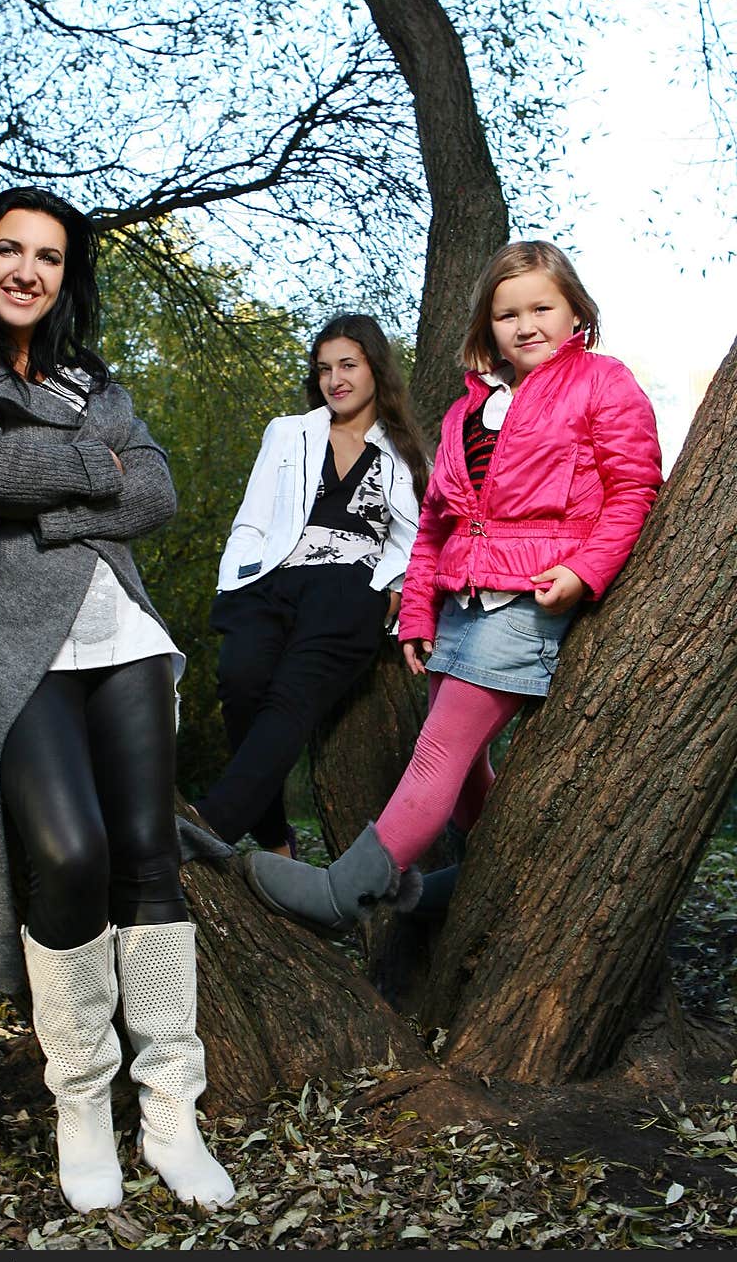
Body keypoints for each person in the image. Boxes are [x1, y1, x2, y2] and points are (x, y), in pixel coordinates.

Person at [0, 187, 234, 1215]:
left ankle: (171, 1110)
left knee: (145, 848)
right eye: (10, 249)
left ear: (65, 276)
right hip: (11, 643)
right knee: (70, 854)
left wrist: (56, 498)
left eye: (49, 257)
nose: (27, 271)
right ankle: (81, 1104)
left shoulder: (93, 375)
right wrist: (93, 478)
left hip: (122, 632)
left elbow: (160, 491)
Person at [243, 240, 663, 927]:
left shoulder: (603, 382)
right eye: (506, 314)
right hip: (462, 599)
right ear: (486, 326)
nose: (525, 325)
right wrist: (417, 614)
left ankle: (341, 894)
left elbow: (633, 489)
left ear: (575, 310)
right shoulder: (470, 409)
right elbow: (437, 524)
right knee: (461, 770)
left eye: (541, 308)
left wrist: (586, 573)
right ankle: (484, 887)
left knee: (438, 749)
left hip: (530, 601)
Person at [192, 314, 428, 856]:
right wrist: (238, 579)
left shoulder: (405, 453)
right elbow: (251, 518)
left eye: (348, 365)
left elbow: (417, 537)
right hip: (272, 580)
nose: (334, 379)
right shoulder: (289, 432)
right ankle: (274, 834)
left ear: (375, 369)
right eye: (324, 368)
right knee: (240, 680)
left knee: (292, 695)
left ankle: (212, 822)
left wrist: (390, 590)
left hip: (349, 588)